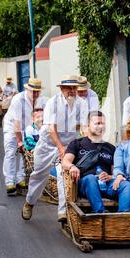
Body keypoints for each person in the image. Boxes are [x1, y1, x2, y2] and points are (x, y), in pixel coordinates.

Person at [22, 74, 88, 223]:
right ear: (62, 89)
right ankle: (29, 202)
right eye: (68, 88)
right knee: (38, 175)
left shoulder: (81, 104)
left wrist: (85, 141)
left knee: (63, 175)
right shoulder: (53, 102)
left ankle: (63, 212)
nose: (71, 91)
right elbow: (52, 128)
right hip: (48, 144)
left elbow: (84, 126)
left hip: (68, 144)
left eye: (74, 88)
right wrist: (60, 148)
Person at [62, 111, 130, 213]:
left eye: (103, 123)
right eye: (97, 123)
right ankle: (101, 213)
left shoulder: (111, 148)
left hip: (106, 184)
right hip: (85, 184)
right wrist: (72, 167)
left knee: (126, 185)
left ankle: (124, 217)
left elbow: (115, 171)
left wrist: (111, 176)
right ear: (88, 125)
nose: (101, 126)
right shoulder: (77, 143)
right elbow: (65, 162)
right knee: (90, 178)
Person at [2, 78, 48, 196]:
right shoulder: (18, 99)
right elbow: (17, 123)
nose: (36, 94)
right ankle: (9, 182)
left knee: (24, 153)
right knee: (11, 152)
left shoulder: (42, 100)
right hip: (12, 126)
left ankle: (20, 179)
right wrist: (19, 141)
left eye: (38, 91)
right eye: (33, 91)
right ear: (28, 89)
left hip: (28, 127)